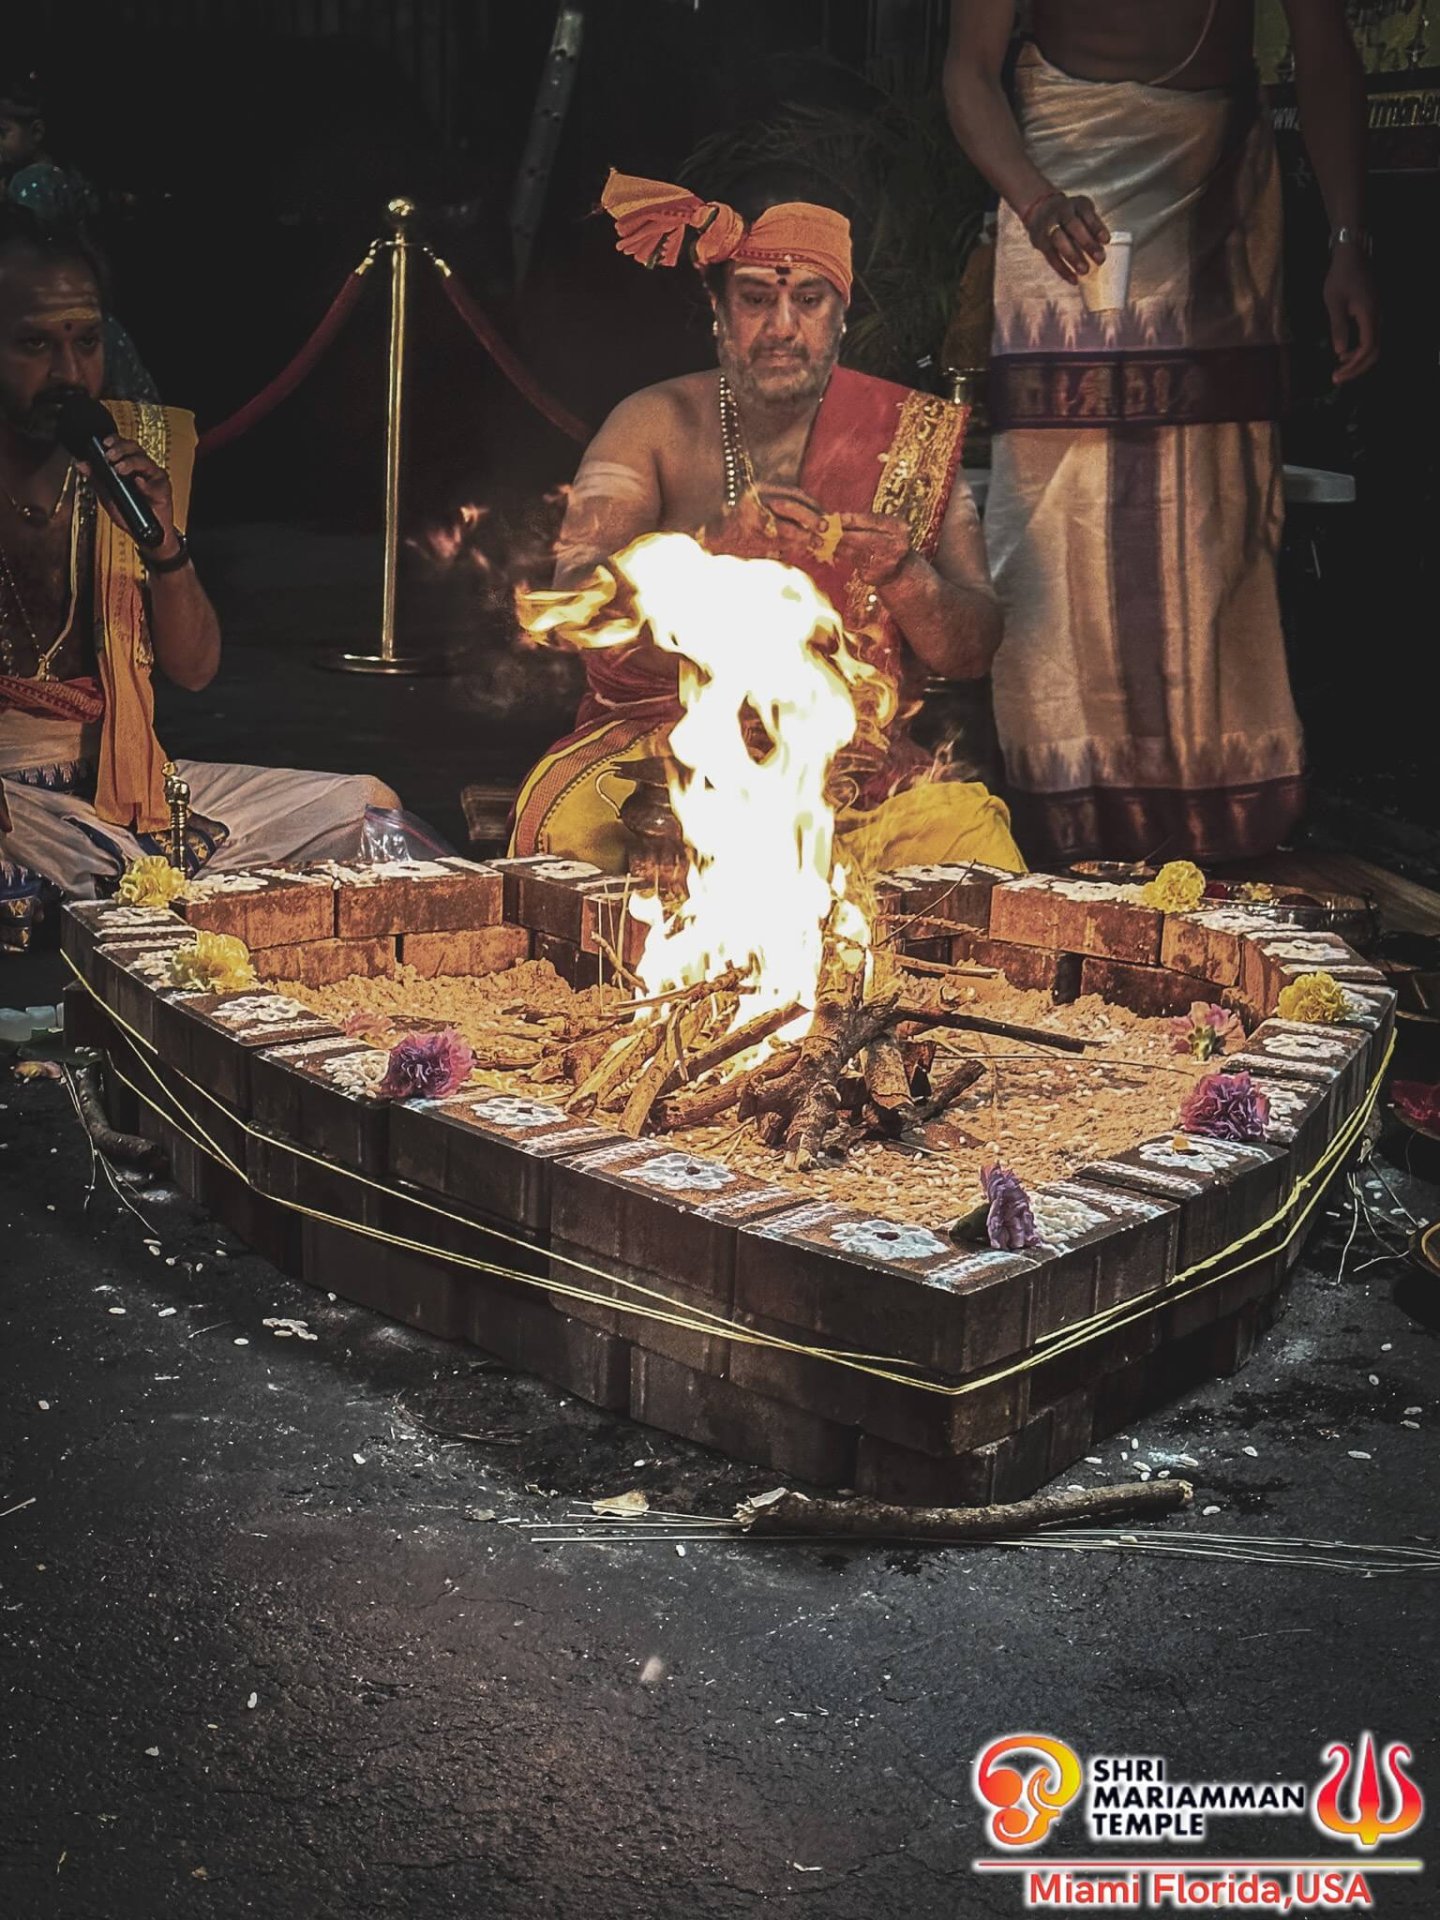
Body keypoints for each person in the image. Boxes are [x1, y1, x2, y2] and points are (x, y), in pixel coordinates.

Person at [943, 1, 1379, 865]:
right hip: (1057, 181)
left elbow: (1324, 52)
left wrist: (1348, 239)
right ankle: (1062, 813)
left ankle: (1217, 822)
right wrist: (1034, 200)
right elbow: (968, 68)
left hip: (1214, 188)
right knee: (1057, 513)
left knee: (1210, 511)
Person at [510, 167, 1023, 877]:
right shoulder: (652, 425)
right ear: (718, 310)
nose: (783, 327)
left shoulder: (910, 440)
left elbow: (971, 652)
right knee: (575, 834)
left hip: (851, 764)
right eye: (755, 299)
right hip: (663, 751)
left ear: (840, 313)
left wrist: (906, 577)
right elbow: (573, 600)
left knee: (973, 850)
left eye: (809, 300)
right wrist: (703, 557)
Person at [0, 207, 402, 952]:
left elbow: (194, 670)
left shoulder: (135, 454)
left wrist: (162, 546)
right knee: (82, 867)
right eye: (33, 345)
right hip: (11, 803)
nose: (69, 375)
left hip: (126, 787)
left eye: (85, 342)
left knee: (364, 812)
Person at [0, 62, 157, 402]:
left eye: (2, 132)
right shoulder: (61, 176)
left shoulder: (33, 184)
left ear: (37, 132)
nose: (70, 372)